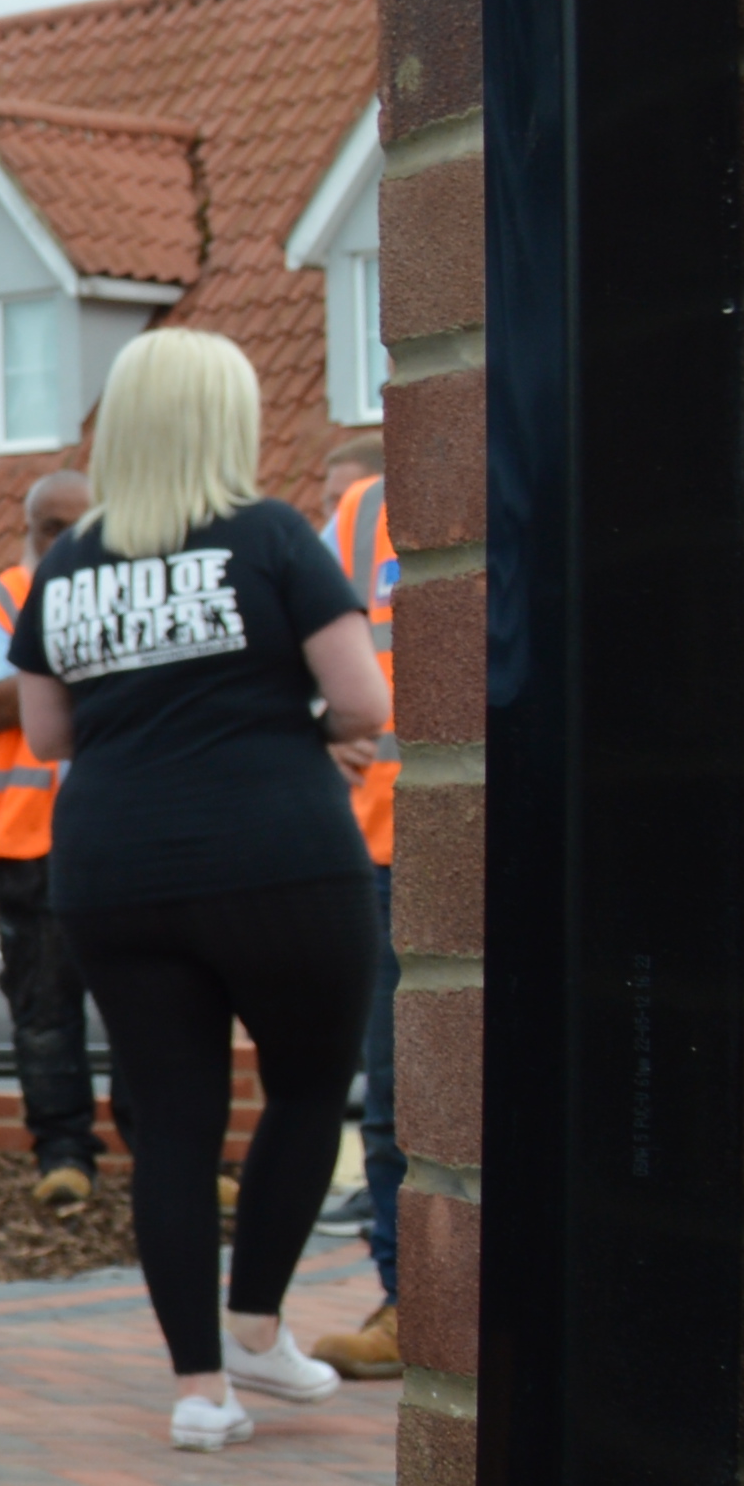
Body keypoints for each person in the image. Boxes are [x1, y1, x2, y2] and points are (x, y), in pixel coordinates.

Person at [5, 329, 393, 1451]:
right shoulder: (272, 534)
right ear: (227, 421)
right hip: (278, 853)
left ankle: (196, 1391)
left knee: (170, 1123)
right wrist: (290, 728)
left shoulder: (66, 561)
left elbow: (45, 732)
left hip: (114, 866)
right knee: (309, 1087)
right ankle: (261, 1328)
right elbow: (361, 704)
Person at [0, 466, 105, 1204]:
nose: (69, 541)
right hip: (27, 847)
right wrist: (89, 651)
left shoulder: (119, 585)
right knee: (45, 1013)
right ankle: (64, 1160)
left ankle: (163, 1150)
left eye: (83, 526)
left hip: (113, 833)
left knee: (151, 1002)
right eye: (53, 528)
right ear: (29, 529)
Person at [315, 436, 404, 1375]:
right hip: (384, 852)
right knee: (396, 1096)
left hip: (514, 841)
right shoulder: (360, 513)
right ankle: (406, 1299)